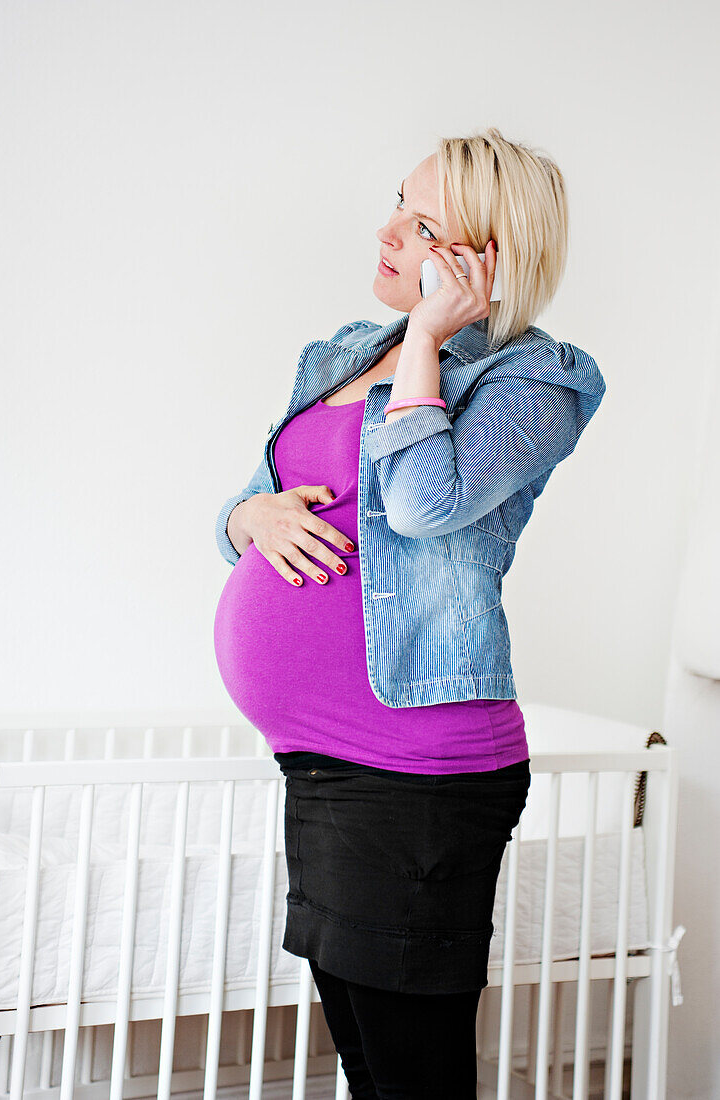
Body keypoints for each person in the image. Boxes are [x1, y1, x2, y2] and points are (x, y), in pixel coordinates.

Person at [213, 126, 606, 1099]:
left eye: (424, 223)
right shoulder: (341, 351)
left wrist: (429, 340)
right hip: (319, 762)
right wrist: (245, 515)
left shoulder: (534, 378)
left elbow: (423, 506)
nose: (389, 230)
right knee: (366, 1058)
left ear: (488, 259)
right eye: (399, 201)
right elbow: (249, 512)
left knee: (413, 1076)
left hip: (415, 773)